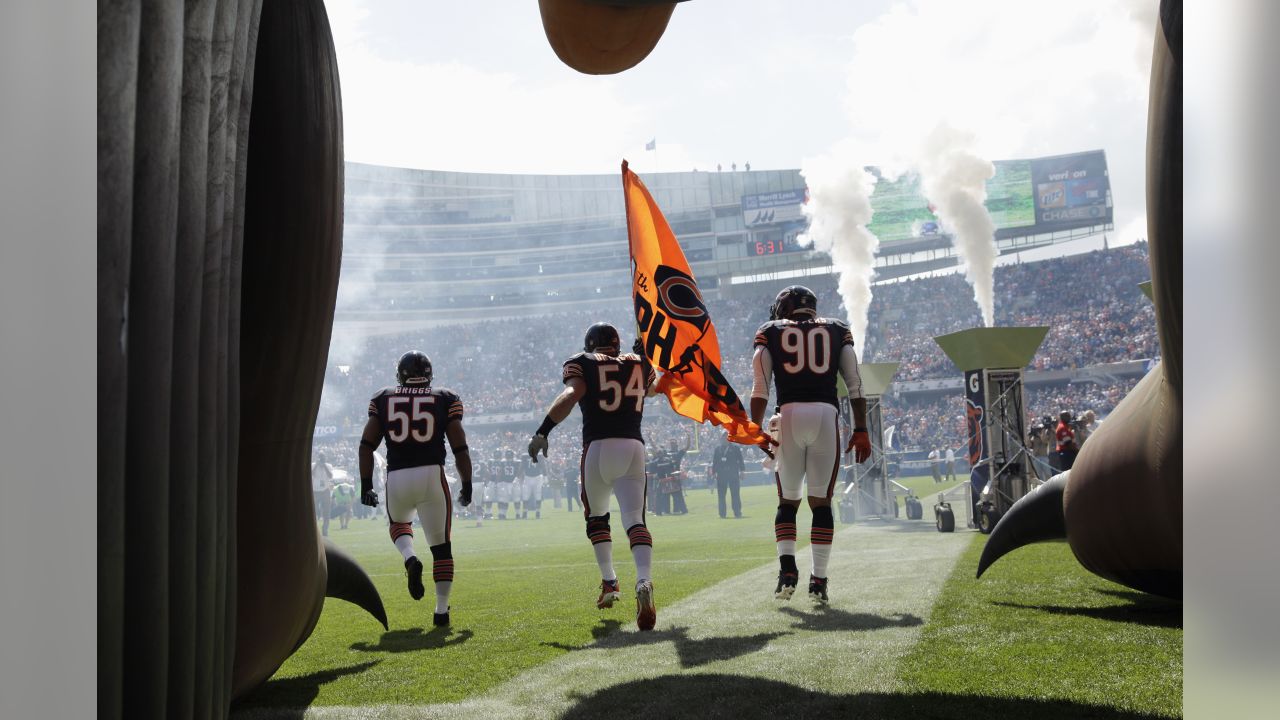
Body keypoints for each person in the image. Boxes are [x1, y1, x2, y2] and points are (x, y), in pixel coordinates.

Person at [528, 322, 660, 631]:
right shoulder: (637, 362)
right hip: (633, 446)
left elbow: (572, 394)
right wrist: (649, 359)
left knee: (597, 518)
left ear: (591, 344)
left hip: (599, 447)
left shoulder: (584, 362)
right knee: (635, 521)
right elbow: (654, 389)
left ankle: (610, 582)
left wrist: (543, 430)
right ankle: (643, 579)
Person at [750, 286, 871, 604]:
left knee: (787, 502)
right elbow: (855, 384)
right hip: (825, 415)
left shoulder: (769, 331)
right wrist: (861, 429)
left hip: (787, 415)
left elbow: (760, 387)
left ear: (785, 308)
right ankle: (818, 580)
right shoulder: (837, 329)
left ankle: (787, 570)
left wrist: (754, 428)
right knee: (821, 502)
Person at [359, 351, 472, 627]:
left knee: (398, 523)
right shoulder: (445, 397)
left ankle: (409, 557)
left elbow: (366, 445)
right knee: (442, 548)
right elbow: (459, 445)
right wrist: (467, 482)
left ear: (400, 374)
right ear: (429, 374)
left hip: (397, 477)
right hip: (432, 475)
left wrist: (366, 484)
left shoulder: (383, 397)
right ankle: (441, 611)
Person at [711, 437, 745, 519]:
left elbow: (740, 460)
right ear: (721, 439)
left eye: (726, 437)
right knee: (721, 495)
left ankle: (737, 512)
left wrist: (742, 471)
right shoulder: (717, 449)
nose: (724, 439)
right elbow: (715, 461)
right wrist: (713, 472)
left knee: (735, 494)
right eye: (723, 437)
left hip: (733, 474)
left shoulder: (735, 448)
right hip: (721, 475)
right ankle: (722, 514)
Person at [311, 453, 334, 537]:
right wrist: (317, 465)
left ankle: (325, 529)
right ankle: (314, 529)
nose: (322, 460)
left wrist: (324, 466)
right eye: (320, 458)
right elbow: (312, 474)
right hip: (315, 490)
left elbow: (330, 476)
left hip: (325, 490)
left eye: (323, 458)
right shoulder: (313, 465)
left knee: (326, 511)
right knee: (314, 510)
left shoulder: (328, 465)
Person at [522, 450, 546, 519]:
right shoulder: (525, 456)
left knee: (538, 495)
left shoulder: (539, 456)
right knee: (525, 496)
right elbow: (522, 467)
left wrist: (545, 475)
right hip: (528, 477)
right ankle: (525, 512)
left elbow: (543, 465)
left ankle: (538, 512)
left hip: (537, 477)